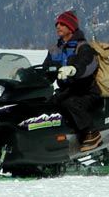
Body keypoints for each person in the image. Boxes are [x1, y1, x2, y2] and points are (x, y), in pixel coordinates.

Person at [43, 10, 102, 152]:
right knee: (46, 104)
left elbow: (88, 65)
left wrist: (73, 70)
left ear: (71, 27)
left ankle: (92, 134)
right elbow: (46, 69)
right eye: (57, 24)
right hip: (66, 91)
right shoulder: (55, 49)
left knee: (71, 103)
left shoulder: (83, 47)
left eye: (62, 24)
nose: (58, 27)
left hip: (86, 92)